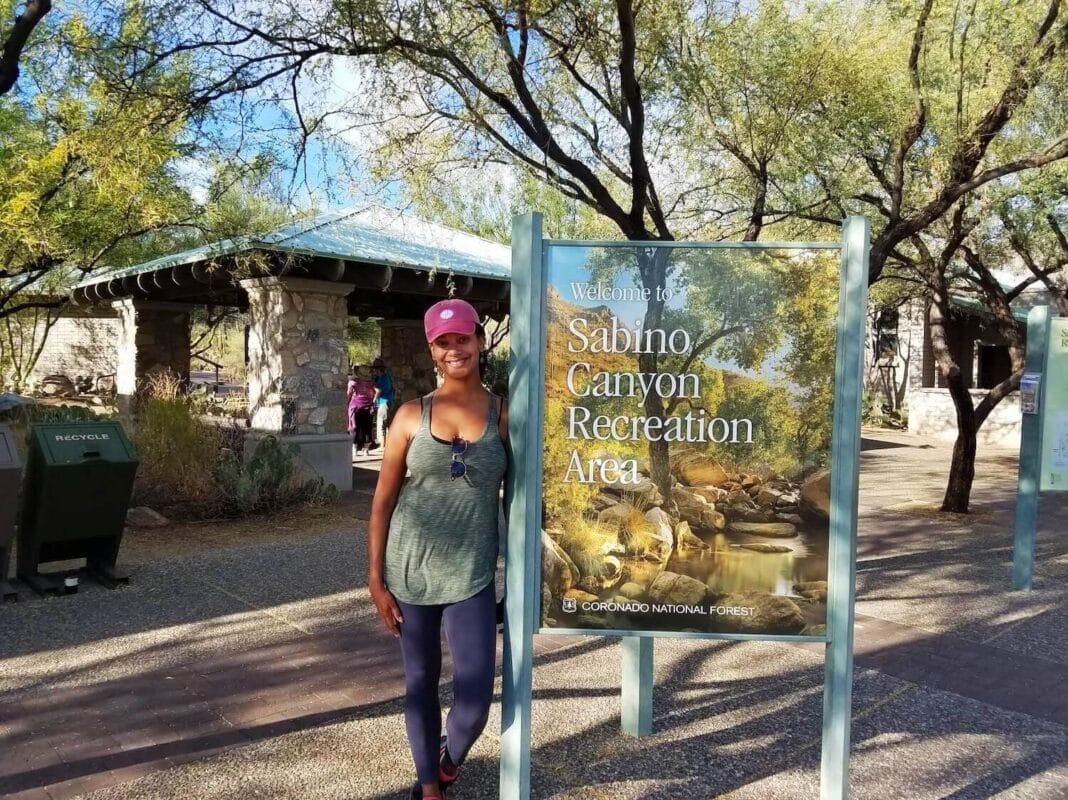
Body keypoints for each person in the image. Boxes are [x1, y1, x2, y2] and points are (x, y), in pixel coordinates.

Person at [367, 298, 508, 800]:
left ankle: (448, 758)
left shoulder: (503, 414)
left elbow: (522, 501)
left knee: (474, 697)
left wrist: (523, 573)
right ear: (432, 350)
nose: (455, 349)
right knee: (420, 684)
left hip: (471, 573)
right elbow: (383, 501)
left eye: (463, 338)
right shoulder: (408, 416)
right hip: (409, 574)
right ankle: (429, 788)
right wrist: (376, 579)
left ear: (480, 341)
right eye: (443, 342)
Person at [347, 365, 377, 457]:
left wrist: (347, 405)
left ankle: (354, 449)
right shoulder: (371, 383)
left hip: (355, 407)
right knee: (367, 429)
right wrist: (374, 400)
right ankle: (366, 450)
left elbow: (349, 394)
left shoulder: (353, 382)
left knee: (354, 428)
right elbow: (378, 391)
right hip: (368, 407)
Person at [371, 357, 395, 446]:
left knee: (382, 424)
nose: (374, 371)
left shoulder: (382, 378)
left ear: (378, 369)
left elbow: (379, 391)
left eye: (375, 369)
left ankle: (383, 446)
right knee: (387, 423)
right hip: (388, 401)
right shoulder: (387, 376)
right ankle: (387, 444)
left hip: (384, 402)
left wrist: (374, 399)